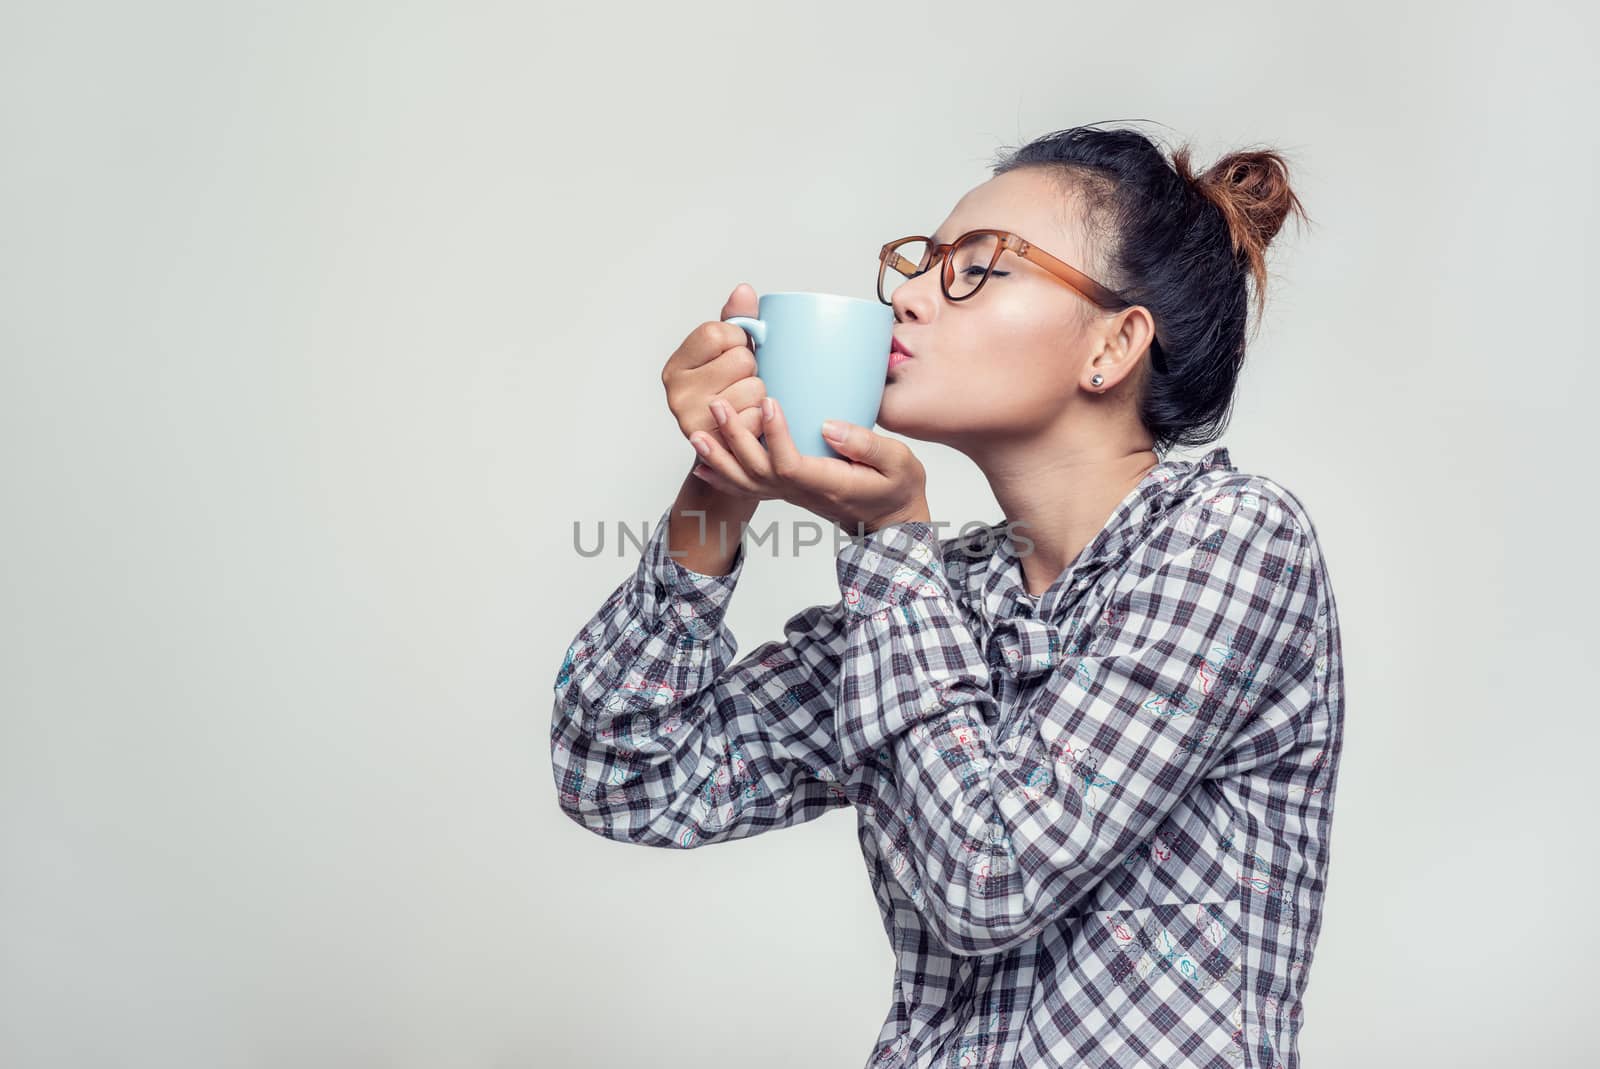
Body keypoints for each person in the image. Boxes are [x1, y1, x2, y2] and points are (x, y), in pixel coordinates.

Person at [550, 121, 1344, 1069]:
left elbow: (991, 873)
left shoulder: (1235, 536)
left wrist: (889, 538)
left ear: (1113, 344)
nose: (910, 299)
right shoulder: (943, 592)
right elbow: (625, 773)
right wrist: (722, 483)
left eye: (976, 267)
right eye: (919, 264)